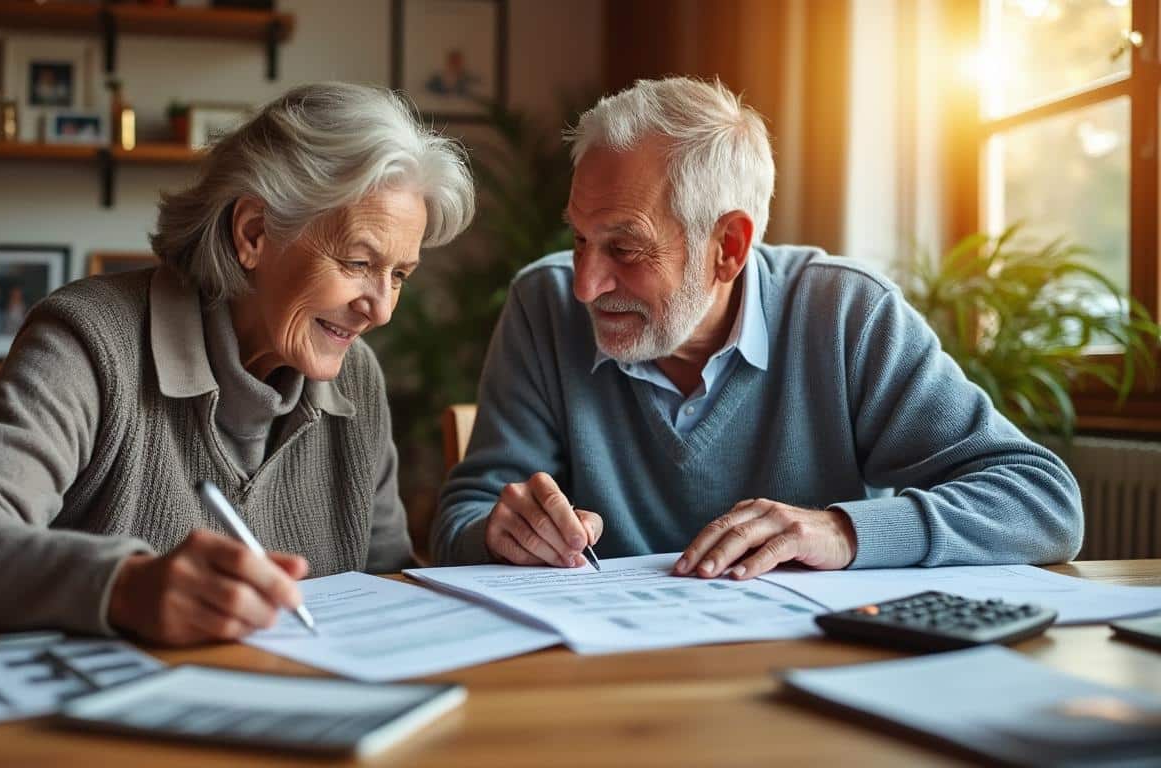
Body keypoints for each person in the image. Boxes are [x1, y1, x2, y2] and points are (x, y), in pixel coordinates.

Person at [0, 82, 476, 644]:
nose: (381, 308)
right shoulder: (92, 340)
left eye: (400, 275)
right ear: (254, 233)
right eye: (357, 263)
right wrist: (124, 586)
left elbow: (386, 581)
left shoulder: (357, 377)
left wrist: (489, 546)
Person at [433, 76, 1083, 581]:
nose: (585, 284)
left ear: (728, 248)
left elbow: (1041, 501)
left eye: (624, 249)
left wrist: (843, 532)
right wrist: (497, 531)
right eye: (579, 238)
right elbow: (462, 515)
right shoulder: (543, 305)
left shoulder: (846, 314)